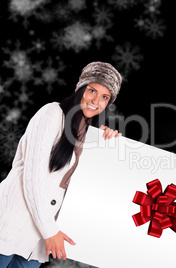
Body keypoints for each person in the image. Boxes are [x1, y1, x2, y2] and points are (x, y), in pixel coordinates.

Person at [0, 61, 123, 267]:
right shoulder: (51, 113)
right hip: (9, 222)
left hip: (37, 239)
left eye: (104, 97)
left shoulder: (90, 135)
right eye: (92, 90)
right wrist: (50, 231)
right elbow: (33, 177)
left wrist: (109, 144)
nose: (95, 100)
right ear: (81, 88)